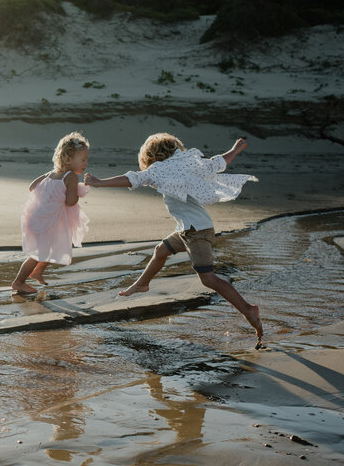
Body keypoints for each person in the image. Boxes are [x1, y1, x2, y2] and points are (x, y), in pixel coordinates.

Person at [84, 133, 263, 343]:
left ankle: (248, 310)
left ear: (149, 156)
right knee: (161, 250)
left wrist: (99, 183)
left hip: (196, 232)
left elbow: (132, 178)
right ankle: (142, 284)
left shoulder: (158, 169)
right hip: (190, 229)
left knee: (208, 279)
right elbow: (218, 162)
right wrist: (235, 149)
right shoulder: (191, 163)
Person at [11, 132, 90, 294]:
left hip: (39, 218)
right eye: (82, 160)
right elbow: (70, 201)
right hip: (50, 221)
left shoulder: (50, 174)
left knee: (51, 247)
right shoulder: (71, 178)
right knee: (38, 253)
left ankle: (37, 272)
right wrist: (77, 193)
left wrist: (49, 194)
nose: (86, 163)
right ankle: (19, 282)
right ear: (68, 159)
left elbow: (32, 186)